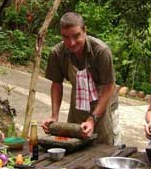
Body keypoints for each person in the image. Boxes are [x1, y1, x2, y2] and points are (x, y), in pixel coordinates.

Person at [41, 12, 119, 145]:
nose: (71, 43)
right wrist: (54, 116)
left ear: (84, 31)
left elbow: (109, 87)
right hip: (77, 105)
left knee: (103, 148)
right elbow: (56, 84)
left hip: (103, 104)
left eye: (76, 36)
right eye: (66, 37)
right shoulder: (57, 53)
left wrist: (92, 119)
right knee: (73, 145)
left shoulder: (101, 51)